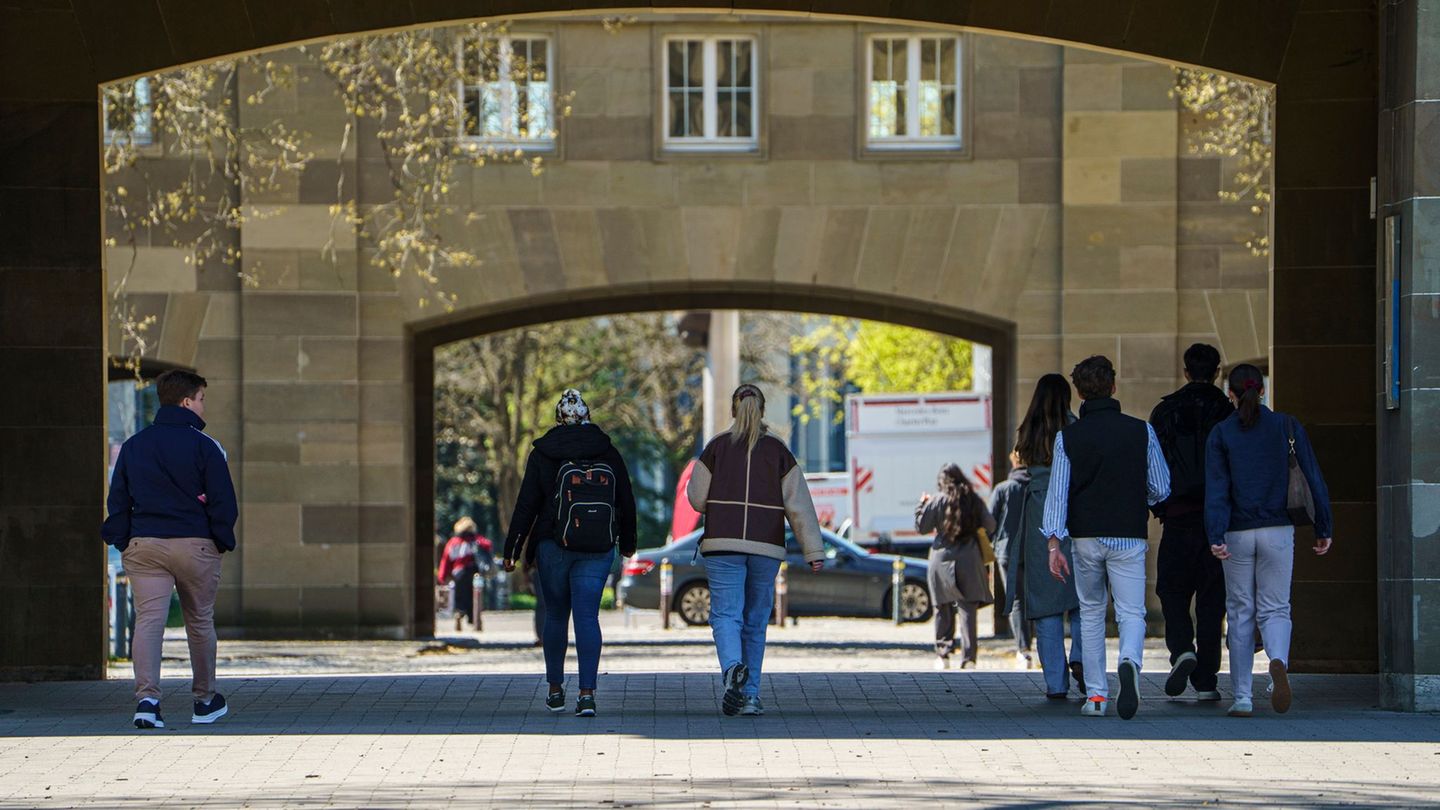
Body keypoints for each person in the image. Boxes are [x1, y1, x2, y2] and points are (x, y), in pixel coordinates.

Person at [101, 369, 237, 729]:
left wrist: (123, 540)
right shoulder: (207, 447)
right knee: (199, 621)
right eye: (202, 399)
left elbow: (118, 502)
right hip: (195, 545)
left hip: (145, 545)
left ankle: (147, 701)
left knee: (148, 622)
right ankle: (205, 701)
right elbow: (224, 502)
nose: (204, 407)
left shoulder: (134, 446)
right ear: (187, 401)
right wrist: (220, 541)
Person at [1043, 356, 1170, 719]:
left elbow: (1057, 494)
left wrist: (1054, 543)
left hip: (1084, 537)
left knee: (1092, 612)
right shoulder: (1141, 431)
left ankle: (1096, 696)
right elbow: (1161, 487)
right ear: (1114, 387)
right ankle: (1129, 661)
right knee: (1132, 612)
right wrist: (1137, 497)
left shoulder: (1067, 437)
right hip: (1129, 533)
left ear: (1080, 393)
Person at [687, 384, 824, 716]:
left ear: (734, 410)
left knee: (725, 615)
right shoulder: (778, 452)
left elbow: (695, 497)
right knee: (755, 620)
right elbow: (799, 505)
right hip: (766, 545)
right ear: (762, 411)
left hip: (723, 543)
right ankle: (750, 695)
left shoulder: (717, 447)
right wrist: (813, 551)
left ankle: (732, 667)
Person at [1206, 364, 1333, 717]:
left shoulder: (1221, 433)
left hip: (1237, 532)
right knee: (1276, 607)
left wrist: (1215, 533)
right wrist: (1324, 527)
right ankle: (1277, 665)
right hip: (1279, 530)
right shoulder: (1287, 426)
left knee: (1240, 611)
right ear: (1262, 391)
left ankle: (1243, 696)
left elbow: (1217, 490)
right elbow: (1313, 478)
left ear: (1230, 394)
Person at [502, 389, 637, 718]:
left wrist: (513, 550)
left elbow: (526, 506)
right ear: (588, 415)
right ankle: (587, 694)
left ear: (558, 418)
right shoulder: (608, 451)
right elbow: (626, 500)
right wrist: (629, 544)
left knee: (557, 615)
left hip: (553, 545)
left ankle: (555, 689)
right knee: (588, 617)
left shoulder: (544, 452)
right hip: (598, 546)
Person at [1148, 343, 1235, 701]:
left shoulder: (1165, 412)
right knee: (1213, 601)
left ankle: (1182, 647)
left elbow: (1153, 465)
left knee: (1171, 590)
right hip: (1218, 521)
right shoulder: (1228, 412)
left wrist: (1160, 506)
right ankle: (1206, 681)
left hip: (1179, 517)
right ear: (1216, 372)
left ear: (1185, 371)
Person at [1005, 373, 1085, 699]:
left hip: (1038, 510)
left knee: (1045, 601)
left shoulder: (1029, 429)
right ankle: (1082, 657)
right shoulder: (1075, 427)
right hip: (1074, 507)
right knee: (1083, 594)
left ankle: (1056, 683)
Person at [916, 465, 996, 670]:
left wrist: (921, 505)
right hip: (969, 558)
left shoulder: (936, 500)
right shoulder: (973, 500)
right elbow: (991, 525)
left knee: (942, 607)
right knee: (968, 609)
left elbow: (922, 527)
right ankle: (969, 659)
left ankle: (943, 655)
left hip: (941, 558)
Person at [989, 450, 1033, 669]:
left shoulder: (1003, 489)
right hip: (1035, 551)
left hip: (1007, 551)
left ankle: (1024, 650)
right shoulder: (1037, 487)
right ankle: (1042, 647)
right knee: (1036, 599)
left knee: (1016, 600)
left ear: (1014, 462)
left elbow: (989, 522)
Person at [438, 517, 493, 630]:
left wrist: (442, 577)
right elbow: (488, 546)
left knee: (460, 597)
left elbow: (446, 561)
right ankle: (476, 620)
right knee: (476, 596)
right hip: (475, 573)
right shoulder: (478, 540)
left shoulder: (453, 543)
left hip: (458, 574)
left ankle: (459, 614)